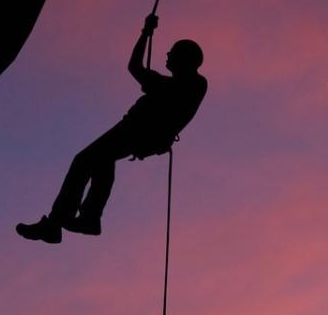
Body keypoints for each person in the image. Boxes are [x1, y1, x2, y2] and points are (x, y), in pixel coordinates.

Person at [16, 15, 206, 243]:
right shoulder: (173, 84)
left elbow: (157, 84)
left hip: (138, 131)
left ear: (185, 58)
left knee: (84, 160)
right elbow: (135, 67)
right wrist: (146, 33)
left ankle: (64, 222)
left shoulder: (194, 84)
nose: (167, 55)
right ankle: (86, 219)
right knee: (101, 161)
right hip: (136, 130)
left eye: (172, 52)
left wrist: (147, 40)